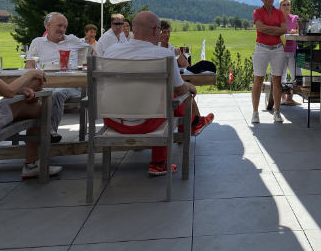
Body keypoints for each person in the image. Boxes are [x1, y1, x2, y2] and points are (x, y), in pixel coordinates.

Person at [103, 11, 214, 176]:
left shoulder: (111, 52)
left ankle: (194, 123)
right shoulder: (164, 55)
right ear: (156, 31)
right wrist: (189, 87)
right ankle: (160, 161)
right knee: (169, 98)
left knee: (160, 96)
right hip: (147, 123)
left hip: (113, 121)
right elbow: (179, 89)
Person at [0, 9, 63, 178]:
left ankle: (32, 163)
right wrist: (29, 74)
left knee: (32, 98)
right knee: (37, 106)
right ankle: (32, 163)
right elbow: (8, 91)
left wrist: (20, 89)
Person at [26, 12, 86, 142]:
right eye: (59, 25)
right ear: (48, 25)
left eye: (65, 26)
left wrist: (84, 63)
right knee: (41, 94)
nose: (63, 29)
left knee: (56, 93)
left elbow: (92, 51)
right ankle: (35, 135)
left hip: (70, 84)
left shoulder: (72, 40)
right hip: (45, 83)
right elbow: (29, 66)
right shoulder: (37, 42)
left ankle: (49, 131)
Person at [251, 0, 286, 124]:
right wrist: (275, 30)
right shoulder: (257, 12)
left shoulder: (279, 12)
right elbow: (260, 28)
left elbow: (284, 30)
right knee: (258, 80)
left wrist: (268, 29)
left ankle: (277, 112)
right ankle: (255, 112)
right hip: (261, 49)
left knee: (277, 80)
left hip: (278, 49)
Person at [279, 0, 300, 106]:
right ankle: (283, 98)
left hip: (293, 50)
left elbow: (300, 31)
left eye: (288, 4)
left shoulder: (295, 18)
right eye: (284, 5)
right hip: (280, 51)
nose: (287, 6)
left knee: (296, 75)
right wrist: (288, 32)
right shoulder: (278, 20)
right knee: (281, 75)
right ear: (280, 7)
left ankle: (290, 98)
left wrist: (294, 32)